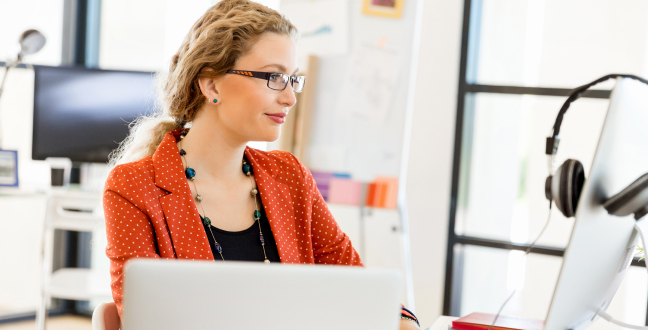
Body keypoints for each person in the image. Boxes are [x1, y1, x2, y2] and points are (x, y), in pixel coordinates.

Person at [103, 0, 419, 328]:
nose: (290, 97)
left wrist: (404, 322)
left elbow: (358, 285)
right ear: (211, 84)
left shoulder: (291, 175)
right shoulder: (134, 187)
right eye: (273, 77)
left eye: (292, 79)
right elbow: (148, 321)